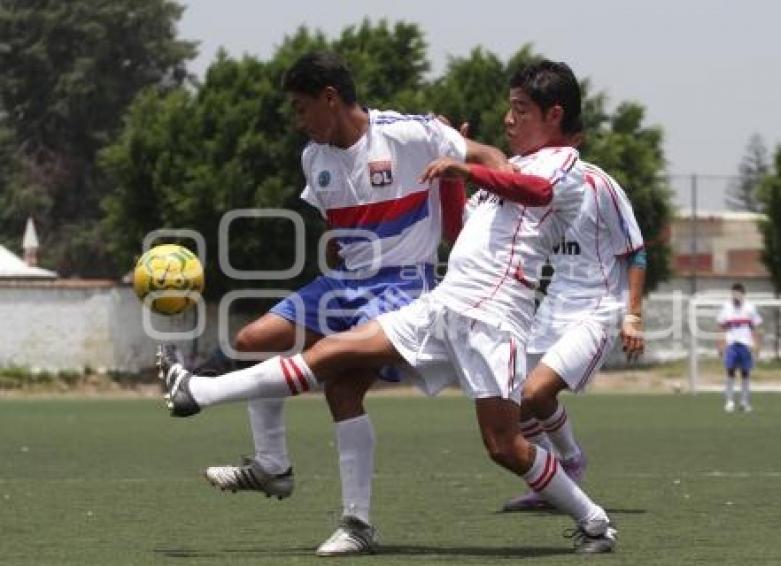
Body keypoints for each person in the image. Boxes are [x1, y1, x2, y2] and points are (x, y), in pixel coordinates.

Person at [158, 60, 620, 554]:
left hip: (492, 318)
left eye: (520, 110)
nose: (508, 120)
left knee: (504, 446)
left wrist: (465, 164)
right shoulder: (506, 169)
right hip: (444, 305)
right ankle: (200, 393)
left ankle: (594, 522)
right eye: (509, 109)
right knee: (332, 355)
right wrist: (451, 182)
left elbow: (541, 192)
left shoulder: (564, 165)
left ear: (554, 115)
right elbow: (457, 233)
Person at [192, 50, 505, 554]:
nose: (297, 120)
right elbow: (337, 233)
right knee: (252, 341)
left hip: (403, 285)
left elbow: (488, 156)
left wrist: (504, 215)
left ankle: (357, 525)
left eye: (300, 107)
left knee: (341, 388)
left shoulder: (408, 133)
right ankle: (272, 466)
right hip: (343, 281)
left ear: (330, 98)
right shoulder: (314, 159)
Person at [502, 145, 647, 511]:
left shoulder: (599, 185)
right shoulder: (533, 182)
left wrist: (633, 315)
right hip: (553, 305)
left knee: (536, 394)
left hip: (597, 308)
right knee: (512, 402)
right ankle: (550, 480)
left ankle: (570, 462)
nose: (510, 123)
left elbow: (636, 251)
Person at [716, 283, 762, 413]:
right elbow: (720, 326)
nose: (735, 296)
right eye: (733, 293)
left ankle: (744, 402)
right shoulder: (726, 307)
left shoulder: (750, 308)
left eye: (738, 293)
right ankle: (729, 401)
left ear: (743, 294)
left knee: (745, 373)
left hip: (745, 344)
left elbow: (756, 327)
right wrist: (720, 344)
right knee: (730, 371)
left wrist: (757, 345)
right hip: (731, 344)